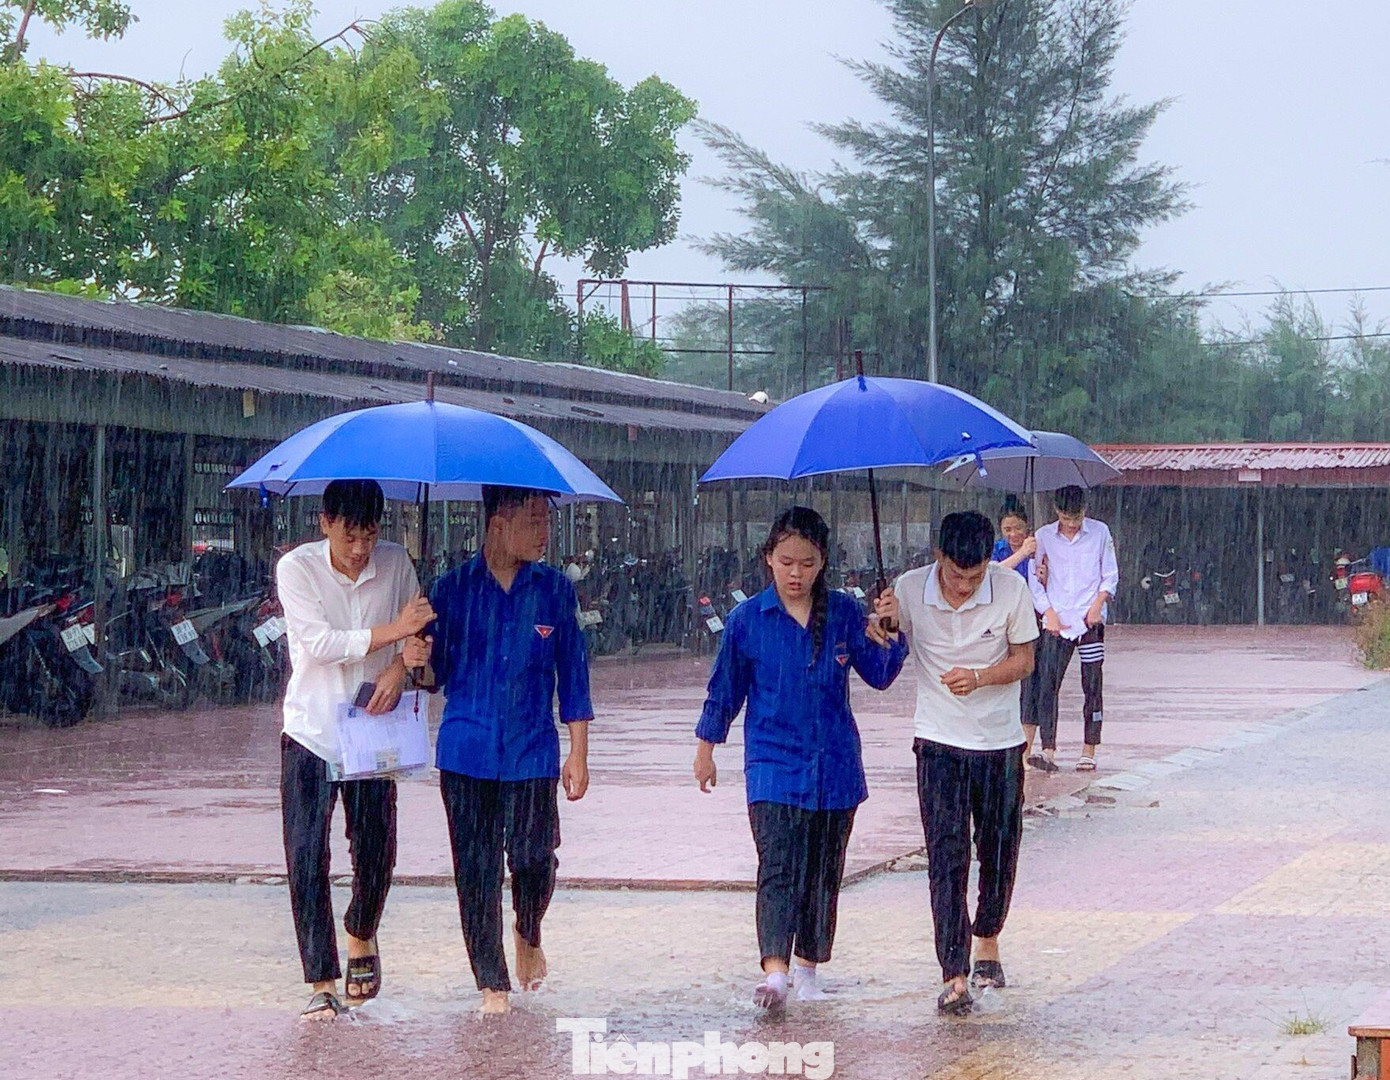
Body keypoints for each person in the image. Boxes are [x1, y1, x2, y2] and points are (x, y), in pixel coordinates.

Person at [694, 506, 906, 1014]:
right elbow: (725, 690)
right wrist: (706, 748)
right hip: (772, 765)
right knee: (778, 865)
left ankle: (808, 967)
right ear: (768, 558)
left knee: (823, 873)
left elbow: (880, 674)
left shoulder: (844, 613)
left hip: (835, 767)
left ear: (823, 562)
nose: (796, 574)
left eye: (807, 563)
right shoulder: (747, 620)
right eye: (786, 562)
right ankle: (775, 972)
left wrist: (894, 629)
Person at [428, 485, 592, 1015]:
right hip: (466, 749)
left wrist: (578, 751)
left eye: (547, 521)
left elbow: (573, 674)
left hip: (532, 750)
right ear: (499, 523)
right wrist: (416, 656)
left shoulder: (555, 591)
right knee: (475, 871)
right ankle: (491, 984)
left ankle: (527, 928)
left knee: (533, 859)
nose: (545, 532)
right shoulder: (450, 590)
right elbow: (433, 677)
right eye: (534, 520)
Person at [275, 479, 435, 1021]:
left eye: (369, 535)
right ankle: (321, 980)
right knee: (305, 855)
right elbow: (320, 645)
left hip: (373, 730)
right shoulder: (297, 568)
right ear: (325, 523)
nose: (361, 549)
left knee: (376, 851)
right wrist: (395, 631)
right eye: (349, 536)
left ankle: (361, 929)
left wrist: (400, 666)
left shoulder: (396, 562)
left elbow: (418, 635)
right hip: (311, 731)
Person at [894, 511, 1038, 1017]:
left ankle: (988, 940)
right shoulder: (909, 589)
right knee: (946, 856)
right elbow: (886, 646)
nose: (964, 585)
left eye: (975, 576)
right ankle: (953, 972)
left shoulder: (1010, 589)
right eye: (956, 574)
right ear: (938, 556)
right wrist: (883, 620)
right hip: (937, 742)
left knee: (998, 849)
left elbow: (1025, 660)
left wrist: (979, 677)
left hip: (999, 744)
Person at [1027, 485, 1119, 772]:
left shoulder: (1100, 532)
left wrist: (1098, 604)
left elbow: (1110, 574)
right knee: (1047, 684)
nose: (1071, 524)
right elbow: (1034, 581)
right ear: (1057, 512)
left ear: (1085, 511)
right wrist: (1048, 612)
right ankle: (1048, 749)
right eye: (1066, 518)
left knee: (1092, 684)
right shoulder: (1043, 536)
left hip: (1090, 620)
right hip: (1057, 621)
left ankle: (1089, 749)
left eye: (1076, 518)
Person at [993, 506, 1046, 766]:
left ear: (1027, 527)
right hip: (1001, 623)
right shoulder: (996, 550)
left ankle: (1026, 750)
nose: (1013, 534)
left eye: (1018, 528)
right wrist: (1022, 554)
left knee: (1031, 685)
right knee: (1004, 682)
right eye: (1007, 529)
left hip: (1033, 621)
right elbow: (992, 574)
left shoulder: (1040, 548)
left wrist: (1044, 574)